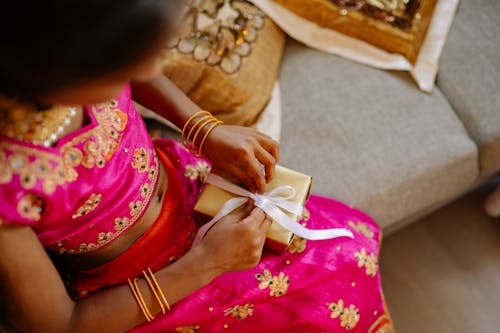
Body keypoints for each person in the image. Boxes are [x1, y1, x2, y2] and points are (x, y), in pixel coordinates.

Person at [0, 1, 392, 332]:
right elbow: (62, 325)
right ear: (66, 62)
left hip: (186, 185)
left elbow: (137, 69)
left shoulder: (80, 47)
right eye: (125, 68)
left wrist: (204, 130)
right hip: (142, 288)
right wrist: (207, 263)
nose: (150, 70)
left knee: (348, 251)